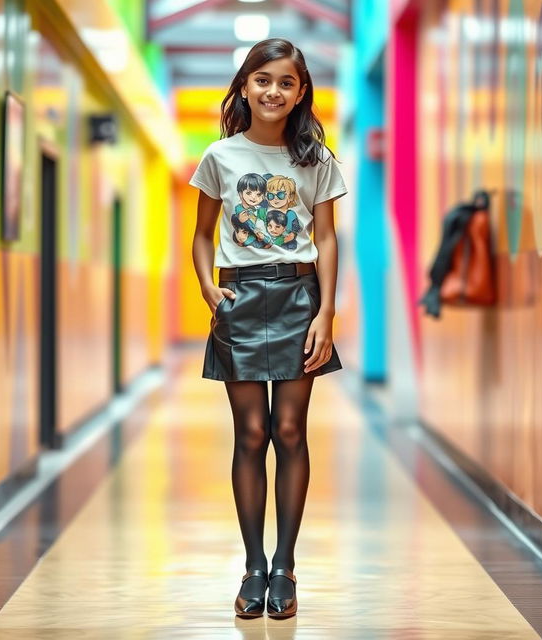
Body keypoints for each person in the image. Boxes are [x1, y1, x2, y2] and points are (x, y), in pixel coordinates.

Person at [190, 38, 347, 620]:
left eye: (286, 81)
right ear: (244, 85)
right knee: (250, 433)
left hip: (299, 298)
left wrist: (326, 312)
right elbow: (203, 234)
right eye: (262, 79)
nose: (273, 91)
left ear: (300, 91)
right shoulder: (219, 156)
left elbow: (326, 238)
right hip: (240, 297)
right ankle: (253, 566)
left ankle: (285, 566)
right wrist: (209, 287)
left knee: (290, 430)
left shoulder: (315, 160)